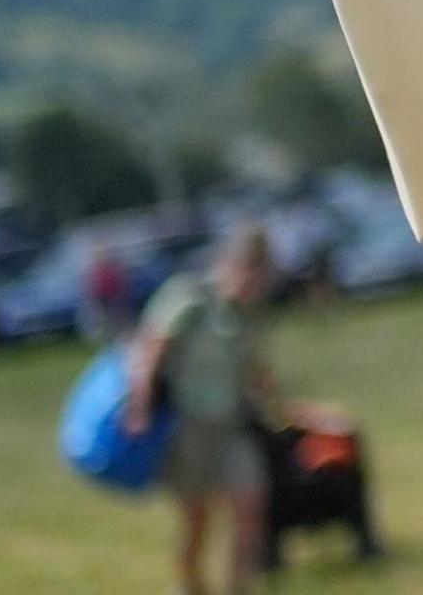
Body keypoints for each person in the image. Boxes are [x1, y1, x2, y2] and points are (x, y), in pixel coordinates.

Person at [126, 222, 280, 595]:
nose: (252, 287)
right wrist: (140, 408)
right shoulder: (190, 298)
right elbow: (150, 352)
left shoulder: (247, 317)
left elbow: (255, 372)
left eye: (260, 279)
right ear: (230, 265)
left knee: (250, 505)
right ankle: (190, 586)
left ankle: (237, 588)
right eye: (248, 275)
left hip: (231, 426)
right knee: (197, 520)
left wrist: (284, 409)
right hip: (188, 427)